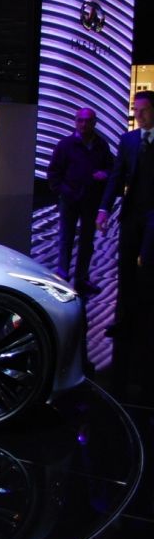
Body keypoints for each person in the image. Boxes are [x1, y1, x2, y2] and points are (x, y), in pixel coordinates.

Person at [98, 90, 154, 394]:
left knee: (148, 267)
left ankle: (144, 325)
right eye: (136, 109)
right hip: (132, 212)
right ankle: (124, 321)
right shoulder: (129, 140)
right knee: (125, 268)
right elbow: (116, 177)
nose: (138, 115)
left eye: (143, 110)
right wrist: (104, 209)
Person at [47, 107, 113, 294]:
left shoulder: (101, 145)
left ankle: (82, 278)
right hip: (69, 199)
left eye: (88, 121)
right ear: (75, 122)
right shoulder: (65, 145)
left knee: (87, 240)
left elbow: (111, 168)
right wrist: (63, 191)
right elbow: (53, 172)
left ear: (94, 123)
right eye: (80, 120)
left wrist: (105, 174)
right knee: (66, 237)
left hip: (91, 200)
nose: (84, 124)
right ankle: (62, 275)